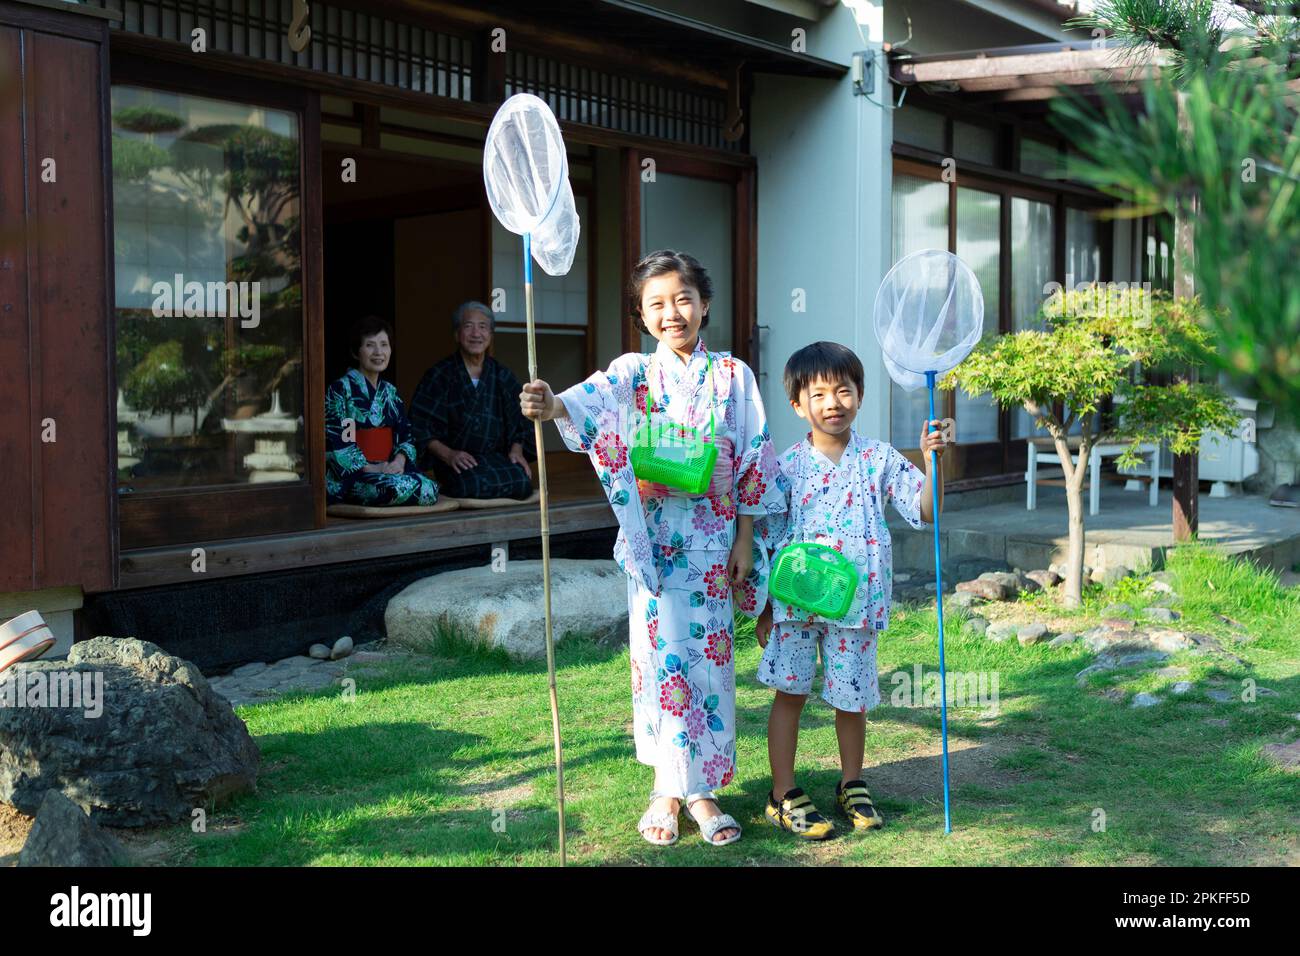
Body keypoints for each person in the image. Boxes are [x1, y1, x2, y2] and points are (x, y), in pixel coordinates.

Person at [519, 250, 787, 847]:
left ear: (705, 303)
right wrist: (551, 403)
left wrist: (745, 537)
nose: (673, 313)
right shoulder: (634, 372)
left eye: (684, 299)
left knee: (712, 667)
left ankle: (705, 792)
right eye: (658, 304)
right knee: (661, 664)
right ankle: (666, 789)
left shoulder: (734, 377)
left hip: (715, 541)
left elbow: (753, 457)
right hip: (656, 543)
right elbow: (587, 404)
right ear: (642, 314)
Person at [754, 341, 946, 840]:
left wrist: (932, 462)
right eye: (819, 394)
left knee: (851, 698)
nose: (833, 402)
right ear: (798, 405)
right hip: (795, 608)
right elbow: (767, 539)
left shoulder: (880, 460)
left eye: (844, 390)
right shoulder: (786, 466)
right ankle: (782, 792)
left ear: (860, 396)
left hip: (855, 610)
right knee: (789, 694)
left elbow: (925, 509)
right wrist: (764, 608)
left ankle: (852, 783)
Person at [409, 301, 536, 500]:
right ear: (457, 335)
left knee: (522, 483)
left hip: (495, 458)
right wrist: (449, 454)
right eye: (468, 326)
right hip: (456, 461)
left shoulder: (502, 376)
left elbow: (521, 421)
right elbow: (419, 426)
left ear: (490, 335)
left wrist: (516, 450)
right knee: (472, 485)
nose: (476, 333)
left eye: (483, 327)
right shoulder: (440, 375)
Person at [325, 316, 440, 507]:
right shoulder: (340, 390)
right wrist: (373, 467)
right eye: (370, 345)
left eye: (384, 345)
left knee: (429, 487)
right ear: (356, 352)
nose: (379, 352)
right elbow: (340, 441)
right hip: (357, 474)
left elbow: (406, 435)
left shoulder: (391, 393)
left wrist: (399, 462)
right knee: (391, 489)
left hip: (390, 469)